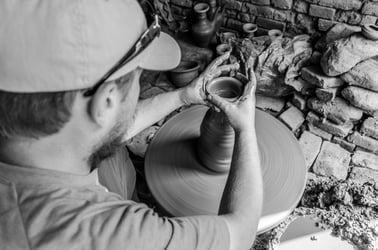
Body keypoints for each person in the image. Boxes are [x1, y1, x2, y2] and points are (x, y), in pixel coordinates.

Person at [0, 0, 263, 250]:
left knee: (114, 160)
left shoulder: (31, 135)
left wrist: (184, 95)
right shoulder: (112, 233)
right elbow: (241, 232)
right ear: (106, 102)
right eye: (138, 77)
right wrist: (245, 128)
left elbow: (109, 128)